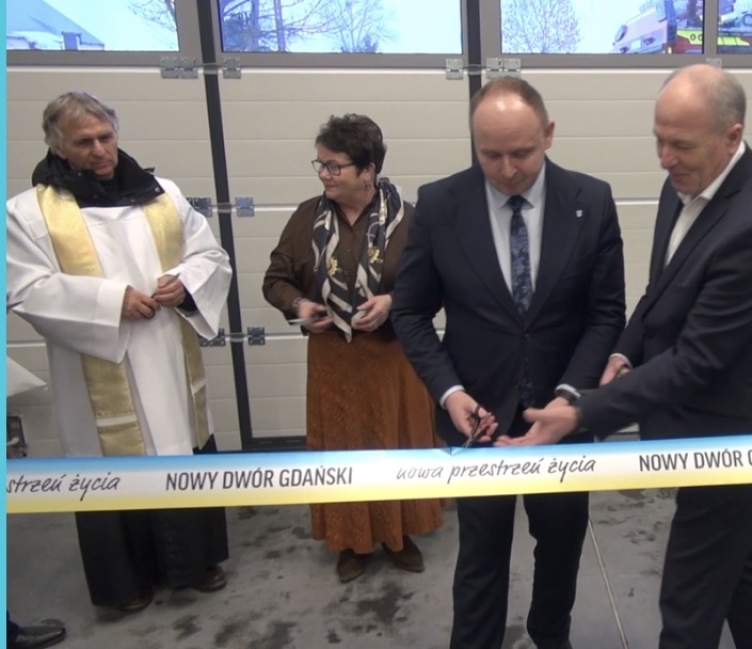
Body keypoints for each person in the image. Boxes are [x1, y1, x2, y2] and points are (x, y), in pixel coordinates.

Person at [504, 64, 752, 649]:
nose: (665, 159)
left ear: (733, 136)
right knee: (733, 564)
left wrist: (583, 410)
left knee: (688, 606)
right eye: (659, 140)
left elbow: (697, 361)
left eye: (681, 145)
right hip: (692, 424)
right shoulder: (687, 182)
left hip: (736, 436)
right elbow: (661, 291)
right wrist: (624, 349)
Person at [389, 77, 626, 649]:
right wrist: (449, 392)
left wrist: (570, 397)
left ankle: (551, 635)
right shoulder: (440, 205)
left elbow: (605, 314)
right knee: (481, 555)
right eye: (490, 154)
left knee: (562, 547)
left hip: (562, 422)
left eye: (521, 152)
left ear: (548, 133)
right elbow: (411, 312)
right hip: (479, 421)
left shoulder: (591, 201)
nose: (507, 169)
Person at [6, 91, 233, 612]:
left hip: (167, 356)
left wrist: (185, 281)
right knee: (111, 466)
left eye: (105, 137)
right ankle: (126, 582)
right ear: (58, 147)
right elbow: (25, 289)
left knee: (179, 450)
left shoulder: (162, 195)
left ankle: (194, 562)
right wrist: (111, 302)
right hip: (97, 365)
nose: (99, 151)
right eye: (83, 142)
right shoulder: (29, 212)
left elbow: (210, 255)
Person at [262, 113, 444, 583]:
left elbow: (437, 284)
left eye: (333, 166)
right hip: (333, 359)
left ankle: (399, 533)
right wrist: (301, 305)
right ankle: (352, 541)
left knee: (397, 443)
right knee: (343, 449)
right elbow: (275, 279)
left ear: (368, 170)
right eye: (320, 164)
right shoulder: (307, 217)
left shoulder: (410, 219)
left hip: (393, 356)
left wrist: (393, 302)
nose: (323, 174)